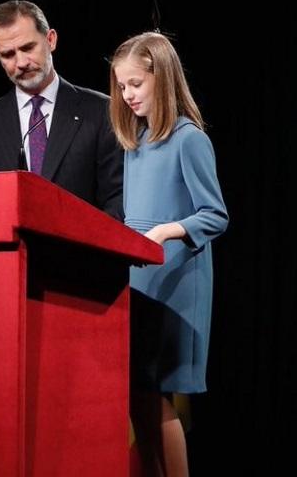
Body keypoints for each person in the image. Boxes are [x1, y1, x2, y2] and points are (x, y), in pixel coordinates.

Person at [110, 31, 228, 477]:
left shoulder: (188, 138)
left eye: (136, 83)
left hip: (175, 283)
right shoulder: (135, 143)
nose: (128, 95)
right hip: (138, 281)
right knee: (136, 395)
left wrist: (165, 231)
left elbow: (215, 215)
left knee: (156, 394)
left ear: (161, 76)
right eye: (121, 86)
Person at [0, 0, 123, 219]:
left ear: (50, 39)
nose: (21, 62)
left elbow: (117, 198)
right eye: (8, 54)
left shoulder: (101, 111)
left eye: (27, 48)